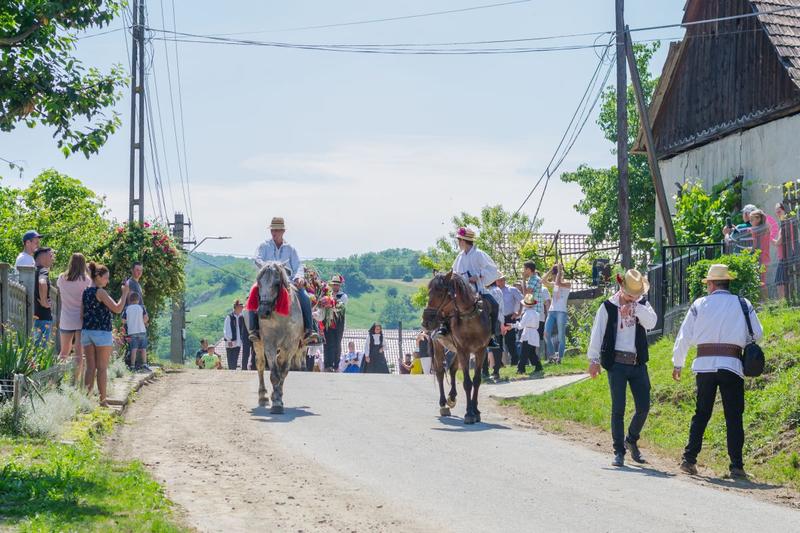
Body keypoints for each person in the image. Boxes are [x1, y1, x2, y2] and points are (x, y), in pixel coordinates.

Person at [673, 264, 763, 480]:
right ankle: (736, 466)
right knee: (734, 416)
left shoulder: (699, 304)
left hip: (704, 365)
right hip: (731, 365)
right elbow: (757, 334)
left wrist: (678, 363)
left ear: (711, 284)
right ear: (727, 282)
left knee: (701, 412)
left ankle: (689, 459)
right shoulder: (743, 304)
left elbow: (684, 335)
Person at [587, 269, 657, 467]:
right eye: (629, 295)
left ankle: (631, 439)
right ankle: (619, 451)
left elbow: (652, 323)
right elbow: (597, 333)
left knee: (643, 407)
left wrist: (636, 308)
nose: (632, 298)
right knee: (618, 408)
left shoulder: (642, 305)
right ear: (621, 288)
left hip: (637, 363)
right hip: (616, 363)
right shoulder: (608, 306)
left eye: (636, 295)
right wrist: (593, 360)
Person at [254, 217, 316, 342]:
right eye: (272, 230)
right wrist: (268, 266)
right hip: (267, 282)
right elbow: (257, 259)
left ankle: (309, 330)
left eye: (277, 230)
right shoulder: (264, 246)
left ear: (283, 231)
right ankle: (254, 330)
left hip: (288, 282)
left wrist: (299, 278)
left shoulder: (290, 248)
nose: (274, 232)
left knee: (305, 297)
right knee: (251, 296)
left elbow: (298, 265)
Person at [83, 262, 130, 407]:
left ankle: (86, 401)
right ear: (98, 276)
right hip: (102, 332)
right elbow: (117, 308)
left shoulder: (85, 291)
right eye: (106, 278)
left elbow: (81, 313)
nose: (107, 281)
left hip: (87, 331)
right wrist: (125, 293)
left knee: (90, 368)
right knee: (102, 368)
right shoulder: (100, 292)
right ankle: (102, 401)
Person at [451, 227, 501, 348]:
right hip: (462, 292)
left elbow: (492, 269)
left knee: (495, 305)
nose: (458, 243)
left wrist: (478, 275)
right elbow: (453, 271)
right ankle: (444, 329)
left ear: (464, 241)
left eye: (459, 240)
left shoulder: (479, 254)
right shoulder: (460, 256)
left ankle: (491, 336)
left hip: (478, 290)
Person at [56, 252, 92, 384]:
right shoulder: (87, 280)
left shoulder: (61, 278)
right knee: (79, 353)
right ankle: (76, 381)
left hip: (66, 318)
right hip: (81, 319)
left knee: (63, 352)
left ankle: (59, 379)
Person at [543, 263, 571, 363]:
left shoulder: (567, 283)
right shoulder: (555, 284)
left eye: (556, 275)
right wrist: (551, 270)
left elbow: (559, 283)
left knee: (561, 336)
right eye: (554, 275)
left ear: (561, 274)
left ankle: (560, 358)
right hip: (552, 311)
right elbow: (543, 281)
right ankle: (552, 356)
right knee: (546, 334)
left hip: (561, 312)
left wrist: (559, 271)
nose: (554, 277)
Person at [513, 294, 542, 376]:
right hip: (534, 333)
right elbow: (537, 326)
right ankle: (538, 366)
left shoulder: (526, 314)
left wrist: (514, 325)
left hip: (527, 334)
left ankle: (521, 369)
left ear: (525, 305)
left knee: (524, 352)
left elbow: (520, 326)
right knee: (531, 352)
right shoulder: (537, 314)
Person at [498, 273, 523, 367]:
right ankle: (499, 362)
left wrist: (518, 312)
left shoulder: (512, 289)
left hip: (509, 317)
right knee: (498, 340)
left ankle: (514, 361)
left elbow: (522, 300)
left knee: (510, 341)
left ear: (504, 280)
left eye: (502, 279)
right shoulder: (494, 291)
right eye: (498, 280)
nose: (500, 281)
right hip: (498, 318)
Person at [324, 275, 348, 372]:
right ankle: (327, 364)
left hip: (338, 322)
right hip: (328, 321)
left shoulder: (343, 296)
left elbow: (340, 307)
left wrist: (332, 302)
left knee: (337, 343)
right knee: (327, 343)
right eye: (334, 284)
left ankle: (336, 364)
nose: (335, 286)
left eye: (337, 285)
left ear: (339, 286)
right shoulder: (327, 294)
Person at [33, 247, 55, 347]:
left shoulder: (33, 271)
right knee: (40, 351)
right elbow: (42, 282)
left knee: (34, 350)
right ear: (43, 257)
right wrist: (44, 302)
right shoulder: (43, 270)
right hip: (43, 317)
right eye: (50, 256)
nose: (52, 259)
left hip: (34, 316)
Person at [123, 292, 150, 372]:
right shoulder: (141, 307)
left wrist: (130, 322)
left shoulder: (127, 308)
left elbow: (123, 320)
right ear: (138, 300)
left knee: (133, 349)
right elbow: (146, 318)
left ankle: (132, 366)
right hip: (141, 330)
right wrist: (142, 322)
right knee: (143, 348)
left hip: (132, 331)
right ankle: (144, 364)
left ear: (130, 300)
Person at [773, 202, 794, 299]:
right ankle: (786, 301)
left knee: (780, 281)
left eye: (779, 212)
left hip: (785, 256)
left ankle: (782, 303)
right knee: (783, 281)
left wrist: (770, 238)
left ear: (785, 211)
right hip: (785, 255)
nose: (778, 214)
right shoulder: (785, 223)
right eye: (776, 212)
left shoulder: (786, 223)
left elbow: (779, 242)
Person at [223, 300, 246, 370]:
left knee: (235, 359)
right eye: (240, 307)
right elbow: (226, 329)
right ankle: (231, 372)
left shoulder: (241, 317)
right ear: (236, 307)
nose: (242, 308)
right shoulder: (229, 317)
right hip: (231, 342)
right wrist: (229, 340)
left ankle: (233, 372)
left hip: (238, 342)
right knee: (231, 359)